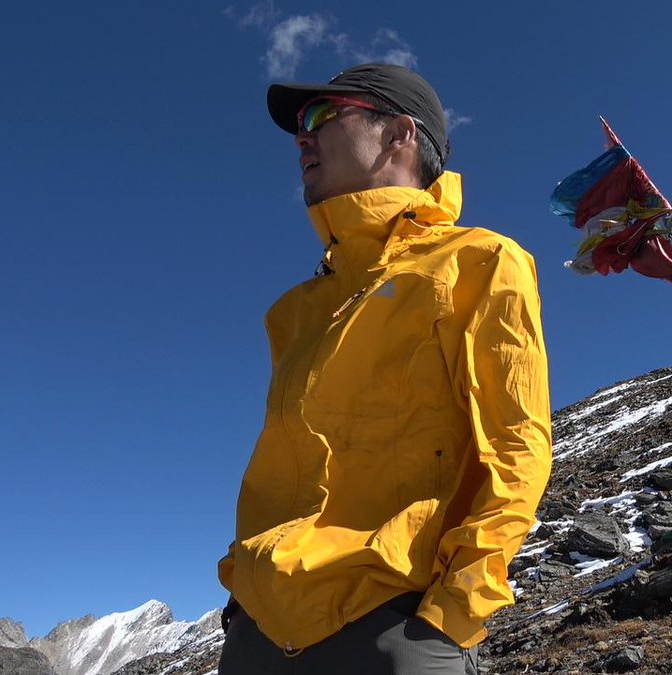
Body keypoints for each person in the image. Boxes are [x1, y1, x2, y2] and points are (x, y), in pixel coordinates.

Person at [216, 63, 553, 674]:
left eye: (320, 116)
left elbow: (516, 448)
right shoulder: (294, 312)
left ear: (399, 134)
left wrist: (450, 615)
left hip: (391, 622)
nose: (301, 137)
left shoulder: (479, 261)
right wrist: (241, 606)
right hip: (260, 632)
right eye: (299, 124)